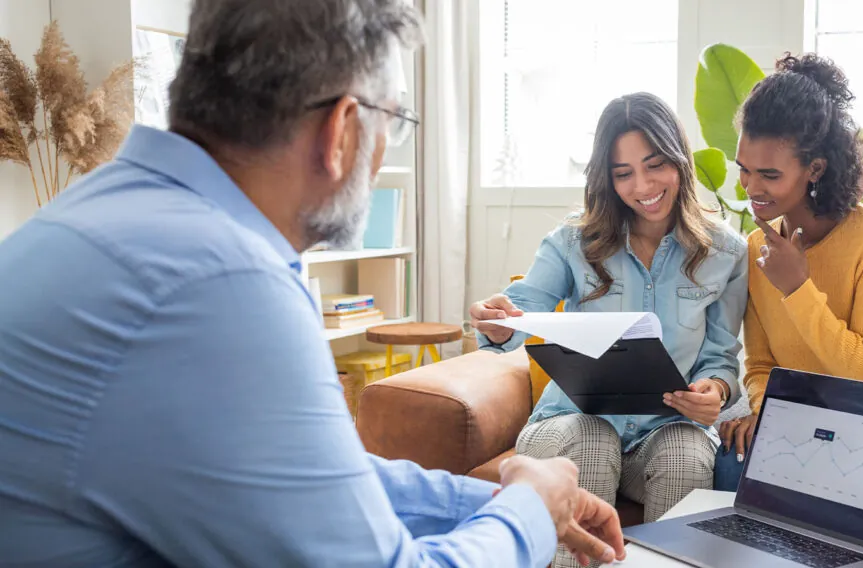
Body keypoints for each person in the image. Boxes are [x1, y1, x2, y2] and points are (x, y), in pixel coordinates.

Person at [0, 2, 624, 567]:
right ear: (343, 130)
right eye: (396, 121)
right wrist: (527, 515)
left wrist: (494, 493)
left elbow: (310, 481)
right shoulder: (221, 284)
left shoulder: (106, 212)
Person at [471, 92, 748, 565]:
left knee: (685, 450)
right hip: (567, 426)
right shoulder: (572, 242)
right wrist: (499, 323)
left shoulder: (726, 252)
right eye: (623, 173)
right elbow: (522, 309)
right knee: (593, 439)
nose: (642, 185)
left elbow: (720, 356)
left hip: (664, 430)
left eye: (655, 164)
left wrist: (714, 390)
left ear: (679, 159)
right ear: (607, 177)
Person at [714, 53, 863, 497]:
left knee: (828, 486)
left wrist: (797, 289)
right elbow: (761, 364)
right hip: (807, 431)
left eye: (770, 174)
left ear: (815, 169)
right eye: (744, 170)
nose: (750, 188)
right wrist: (768, 415)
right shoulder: (755, 248)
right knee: (730, 468)